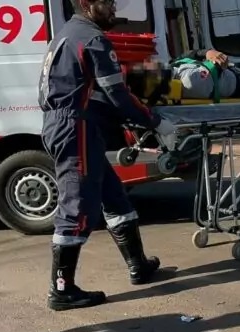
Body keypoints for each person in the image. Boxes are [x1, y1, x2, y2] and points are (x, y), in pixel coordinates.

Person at [38, 0, 177, 311]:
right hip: (75, 127)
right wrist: (155, 121)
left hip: (70, 123)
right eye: (108, 3)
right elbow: (117, 94)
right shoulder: (92, 39)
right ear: (88, 4)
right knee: (78, 207)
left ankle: (138, 264)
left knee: (113, 195)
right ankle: (62, 289)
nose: (114, 8)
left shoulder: (65, 34)